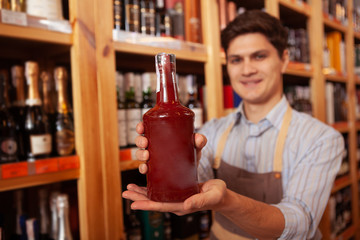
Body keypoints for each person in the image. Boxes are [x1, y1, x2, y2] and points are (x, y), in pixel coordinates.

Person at [122, 9, 344, 239]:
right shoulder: (212, 132)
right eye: (236, 59)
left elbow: (300, 224)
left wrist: (228, 201)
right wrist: (175, 168)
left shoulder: (321, 138)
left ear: (284, 59)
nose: (247, 70)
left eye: (259, 56)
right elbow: (194, 187)